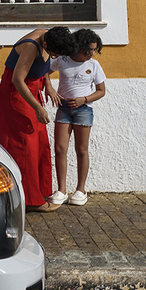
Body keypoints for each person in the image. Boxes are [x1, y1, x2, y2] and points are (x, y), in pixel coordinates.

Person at [0, 26, 77, 212]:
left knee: (40, 142)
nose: (54, 57)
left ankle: (39, 192)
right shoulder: (31, 47)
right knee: (25, 146)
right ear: (45, 45)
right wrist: (37, 108)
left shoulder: (48, 35)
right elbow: (17, 79)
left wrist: (48, 84)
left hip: (32, 90)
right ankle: (31, 200)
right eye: (54, 54)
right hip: (17, 94)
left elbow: (43, 66)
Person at [46, 29, 105, 207]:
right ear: (78, 46)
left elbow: (101, 91)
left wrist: (84, 100)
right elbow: (44, 72)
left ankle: (81, 190)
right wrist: (50, 88)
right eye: (88, 49)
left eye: (94, 50)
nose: (92, 53)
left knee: (82, 150)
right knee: (60, 149)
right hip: (64, 108)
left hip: (83, 110)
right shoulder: (63, 60)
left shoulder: (94, 65)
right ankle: (61, 190)